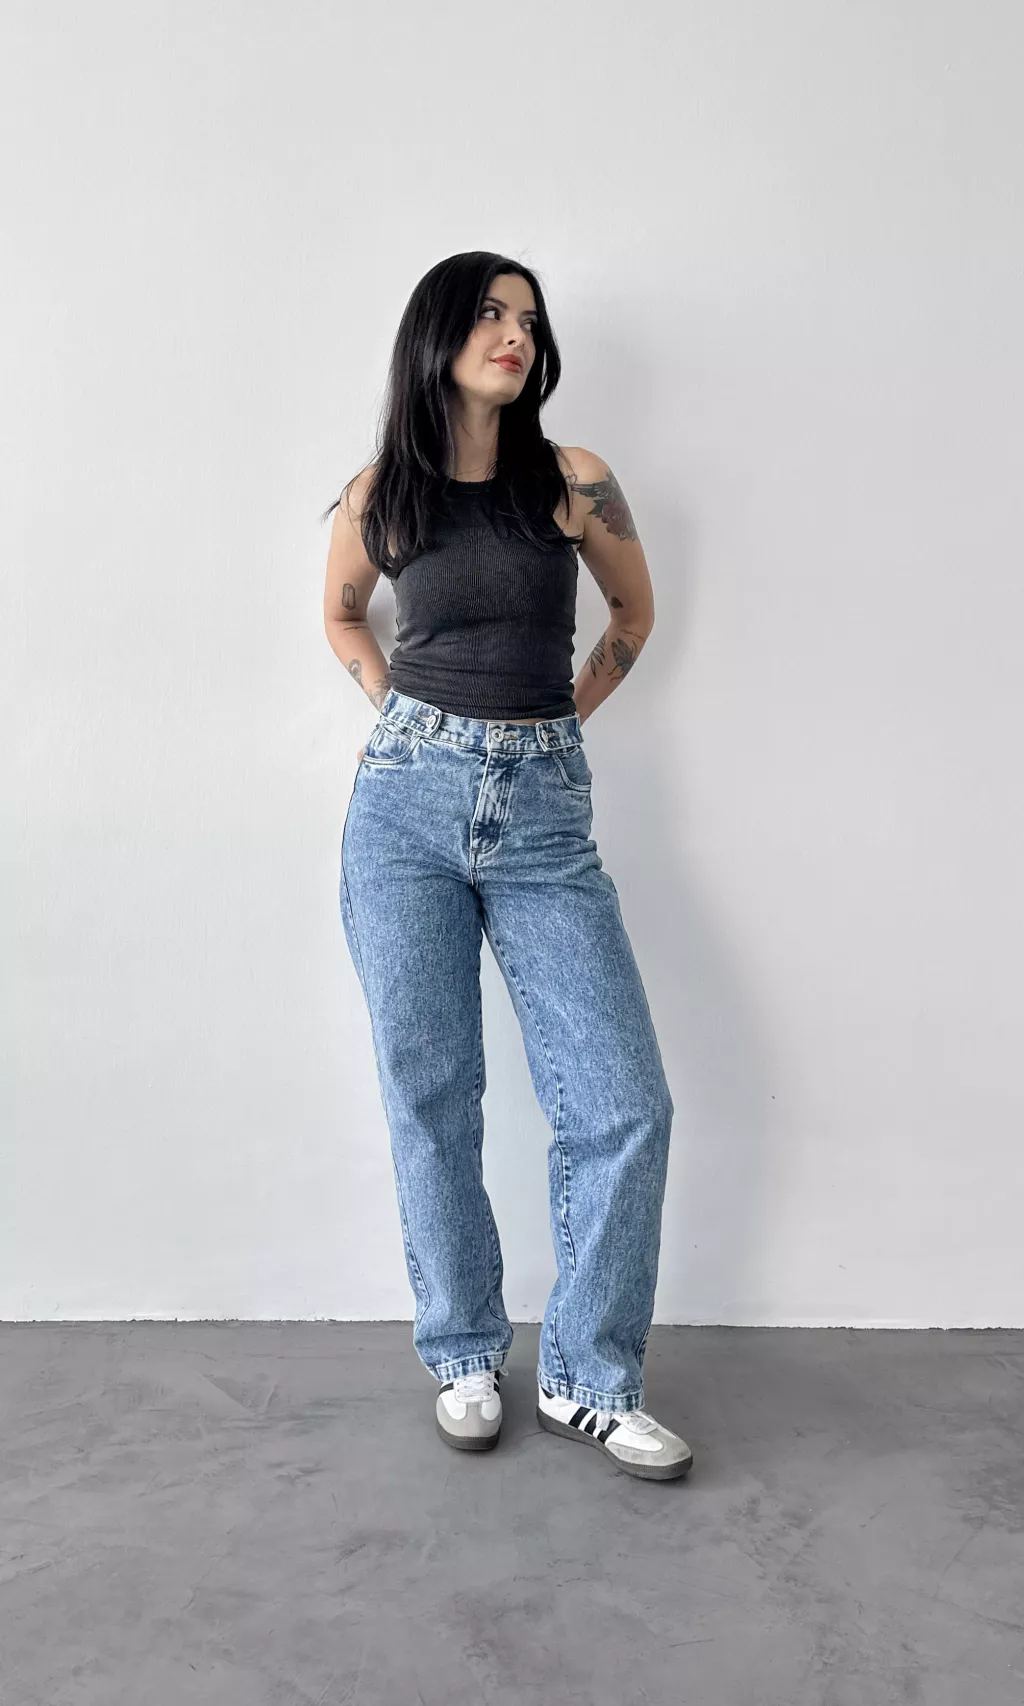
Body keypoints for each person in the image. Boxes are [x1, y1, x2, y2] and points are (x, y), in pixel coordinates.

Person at [321, 251, 692, 1482]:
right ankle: (463, 1351)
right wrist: (391, 704)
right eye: (488, 313)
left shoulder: (574, 481)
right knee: (431, 1091)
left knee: (623, 1101)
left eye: (528, 319)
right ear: (435, 334)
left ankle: (589, 1377)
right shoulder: (381, 492)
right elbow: (340, 612)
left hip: (543, 813)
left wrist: (556, 724)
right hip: (404, 808)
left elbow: (633, 618)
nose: (514, 334)